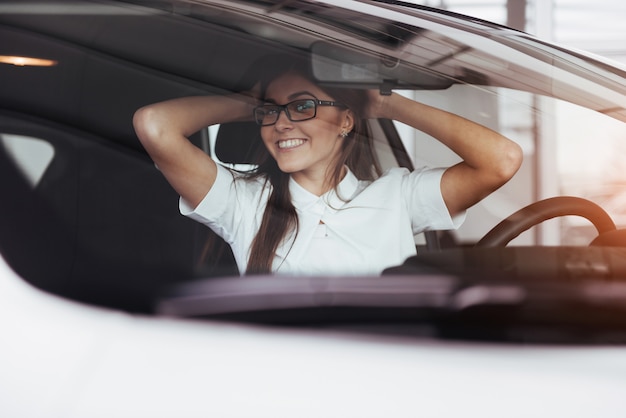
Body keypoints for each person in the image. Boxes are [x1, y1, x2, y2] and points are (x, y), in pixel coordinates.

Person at [133, 55, 523, 276]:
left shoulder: (398, 195)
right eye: (272, 111)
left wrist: (386, 104)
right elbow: (154, 126)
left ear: (347, 121)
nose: (282, 123)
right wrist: (250, 104)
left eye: (302, 106)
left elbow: (501, 160)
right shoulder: (244, 201)